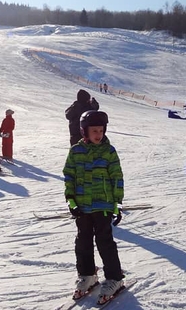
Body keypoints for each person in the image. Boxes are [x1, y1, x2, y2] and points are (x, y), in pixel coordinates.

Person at [63, 110, 125, 303]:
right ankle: (88, 274)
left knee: (105, 242)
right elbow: (69, 177)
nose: (98, 134)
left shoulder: (109, 151)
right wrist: (71, 201)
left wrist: (118, 203)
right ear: (84, 132)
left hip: (103, 205)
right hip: (82, 206)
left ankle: (115, 278)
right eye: (94, 131)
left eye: (101, 130)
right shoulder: (75, 151)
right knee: (82, 242)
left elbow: (117, 177)